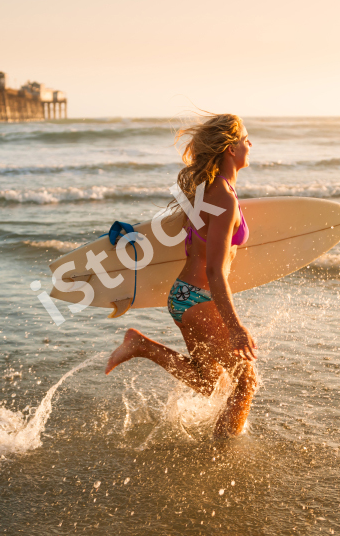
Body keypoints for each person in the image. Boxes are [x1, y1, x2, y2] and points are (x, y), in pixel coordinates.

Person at [105, 113, 257, 438]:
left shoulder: (203, 193)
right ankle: (221, 456)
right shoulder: (224, 200)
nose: (250, 144)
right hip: (200, 298)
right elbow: (215, 270)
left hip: (183, 297)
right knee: (245, 383)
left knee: (211, 383)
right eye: (245, 139)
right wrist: (235, 327)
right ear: (231, 149)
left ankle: (141, 345)